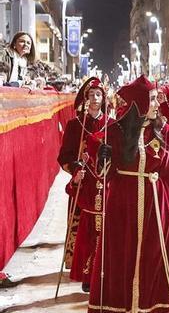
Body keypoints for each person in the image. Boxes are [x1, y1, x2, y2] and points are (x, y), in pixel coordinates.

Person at [87, 75, 169, 313]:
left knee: (153, 257)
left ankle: (151, 306)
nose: (156, 104)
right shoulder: (116, 131)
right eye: (151, 99)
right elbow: (104, 173)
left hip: (154, 202)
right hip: (123, 202)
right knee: (122, 255)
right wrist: (102, 156)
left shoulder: (165, 130)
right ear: (138, 103)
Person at [57, 78, 109, 291]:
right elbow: (63, 156)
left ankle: (102, 270)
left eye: (98, 95)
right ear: (85, 98)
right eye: (91, 95)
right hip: (82, 184)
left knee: (103, 229)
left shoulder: (111, 124)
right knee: (82, 229)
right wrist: (74, 166)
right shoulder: (74, 124)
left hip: (104, 185)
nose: (95, 99)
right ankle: (82, 269)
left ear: (104, 98)